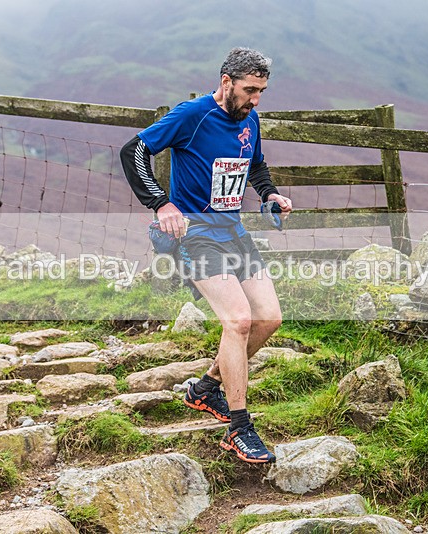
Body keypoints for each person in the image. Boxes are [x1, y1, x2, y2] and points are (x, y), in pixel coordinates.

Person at [120, 47, 292, 464]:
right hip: (195, 235)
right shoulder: (192, 115)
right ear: (226, 81)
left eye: (262, 91)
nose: (256, 99)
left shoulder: (248, 118)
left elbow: (255, 164)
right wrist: (161, 204)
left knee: (269, 318)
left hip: (233, 231)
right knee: (237, 321)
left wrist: (269, 194)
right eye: (250, 90)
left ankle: (205, 388)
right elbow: (134, 151)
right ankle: (239, 427)